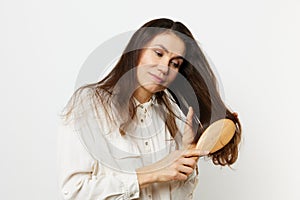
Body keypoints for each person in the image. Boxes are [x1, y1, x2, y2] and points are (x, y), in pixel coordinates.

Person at [57, 18, 242, 200]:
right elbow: (75, 192)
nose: (164, 68)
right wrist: (151, 173)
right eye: (159, 53)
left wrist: (187, 163)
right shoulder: (90, 104)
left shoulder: (174, 117)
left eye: (175, 63)